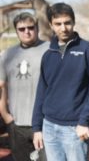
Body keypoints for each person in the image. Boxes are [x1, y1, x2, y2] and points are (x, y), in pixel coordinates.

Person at [32, 2, 89, 161]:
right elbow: (42, 92)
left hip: (75, 128)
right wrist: (37, 127)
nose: (63, 28)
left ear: (73, 23)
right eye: (58, 24)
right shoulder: (48, 55)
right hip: (49, 126)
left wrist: (84, 121)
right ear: (51, 25)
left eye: (67, 23)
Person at [0, 12, 48, 161]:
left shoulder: (50, 50)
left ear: (37, 28)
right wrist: (6, 115)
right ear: (16, 31)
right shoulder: (7, 55)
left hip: (45, 124)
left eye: (30, 27)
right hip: (17, 125)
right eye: (21, 29)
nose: (27, 31)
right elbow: (2, 87)